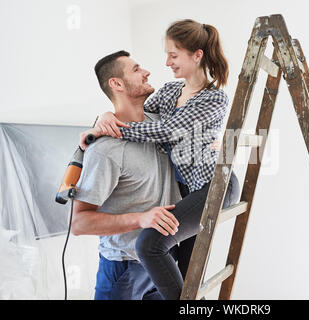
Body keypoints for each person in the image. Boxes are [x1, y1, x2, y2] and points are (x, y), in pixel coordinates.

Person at [80, 19, 240, 300]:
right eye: (137, 69)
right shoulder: (166, 94)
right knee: (177, 266)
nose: (163, 64)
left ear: (197, 55)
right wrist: (103, 119)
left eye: (173, 55)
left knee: (172, 264)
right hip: (127, 263)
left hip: (208, 190)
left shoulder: (211, 100)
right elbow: (137, 111)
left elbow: (166, 129)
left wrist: (116, 127)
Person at [72, 50, 182, 300]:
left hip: (164, 261)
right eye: (136, 69)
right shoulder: (106, 149)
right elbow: (79, 223)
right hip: (124, 269)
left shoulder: (162, 126)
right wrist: (142, 219)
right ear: (117, 84)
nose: (146, 72)